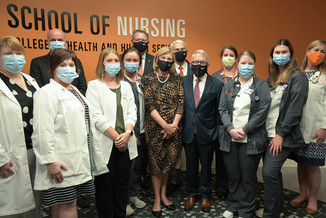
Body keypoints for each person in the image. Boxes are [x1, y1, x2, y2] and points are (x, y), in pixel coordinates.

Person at [32, 48, 95, 218]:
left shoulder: (74, 90)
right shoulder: (46, 92)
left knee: (62, 205)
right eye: (63, 64)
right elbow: (41, 130)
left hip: (75, 158)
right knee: (68, 203)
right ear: (53, 69)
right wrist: (50, 160)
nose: (68, 68)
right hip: (61, 161)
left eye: (71, 65)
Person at [86, 47, 138, 218]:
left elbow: (132, 111)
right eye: (109, 60)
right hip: (107, 142)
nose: (113, 64)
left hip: (125, 142)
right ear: (102, 63)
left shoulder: (126, 86)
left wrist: (127, 134)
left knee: (122, 184)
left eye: (116, 60)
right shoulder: (94, 86)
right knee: (105, 186)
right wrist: (117, 137)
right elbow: (96, 116)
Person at [219, 51, 271, 218]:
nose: (246, 67)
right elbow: (223, 109)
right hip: (230, 138)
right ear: (237, 64)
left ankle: (246, 210)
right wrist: (230, 129)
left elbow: (262, 111)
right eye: (243, 63)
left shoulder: (261, 86)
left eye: (250, 63)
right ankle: (234, 204)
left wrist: (245, 129)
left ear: (254, 65)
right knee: (233, 175)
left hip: (251, 140)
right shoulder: (228, 84)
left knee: (248, 176)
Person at [261, 39, 308, 218]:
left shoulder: (298, 77)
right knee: (273, 174)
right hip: (268, 132)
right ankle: (277, 209)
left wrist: (280, 134)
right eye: (277, 53)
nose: (280, 56)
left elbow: (295, 110)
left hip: (282, 135)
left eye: (284, 52)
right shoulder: (271, 78)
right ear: (272, 56)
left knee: (268, 172)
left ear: (291, 54)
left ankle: (270, 214)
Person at [0, 36, 41, 218]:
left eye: (18, 53)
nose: (14, 57)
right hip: (9, 154)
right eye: (8, 53)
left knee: (34, 203)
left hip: (35, 151)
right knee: (11, 208)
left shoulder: (30, 80)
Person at [144, 46, 184, 217]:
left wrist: (172, 126)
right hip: (154, 129)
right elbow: (149, 104)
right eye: (163, 58)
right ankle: (156, 199)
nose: (166, 62)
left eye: (170, 59)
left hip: (174, 129)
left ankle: (163, 194)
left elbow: (181, 103)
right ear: (157, 59)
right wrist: (164, 126)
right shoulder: (148, 79)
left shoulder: (177, 79)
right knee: (155, 164)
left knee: (167, 163)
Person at [183, 49, 224, 213]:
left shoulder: (217, 84)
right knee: (191, 166)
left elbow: (219, 111)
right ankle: (192, 194)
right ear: (190, 64)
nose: (198, 65)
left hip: (208, 133)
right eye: (195, 62)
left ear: (208, 64)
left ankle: (206, 195)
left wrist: (216, 133)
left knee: (206, 166)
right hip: (188, 132)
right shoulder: (183, 81)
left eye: (202, 63)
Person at [289, 40, 326, 215]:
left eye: (323, 52)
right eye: (316, 50)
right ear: (307, 51)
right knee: (301, 163)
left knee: (312, 165)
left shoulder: (325, 76)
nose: (319, 54)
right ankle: (302, 194)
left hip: (316, 128)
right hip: (297, 128)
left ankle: (312, 198)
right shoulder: (297, 74)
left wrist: (324, 127)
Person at [121, 47, 147, 216]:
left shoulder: (142, 80)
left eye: (135, 60)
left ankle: (133, 195)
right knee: (127, 169)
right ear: (123, 62)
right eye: (128, 60)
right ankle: (124, 201)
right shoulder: (120, 82)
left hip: (143, 130)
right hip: (130, 132)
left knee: (137, 167)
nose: (132, 63)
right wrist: (133, 133)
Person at [212, 45, 239, 200]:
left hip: (239, 125)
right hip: (220, 124)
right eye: (225, 55)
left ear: (236, 59)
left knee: (237, 159)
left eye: (231, 55)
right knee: (222, 158)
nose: (228, 57)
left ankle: (235, 187)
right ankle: (221, 187)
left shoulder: (243, 75)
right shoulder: (215, 77)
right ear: (221, 58)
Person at [168, 39, 193, 193]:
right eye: (176, 50)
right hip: (172, 119)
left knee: (190, 154)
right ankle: (173, 183)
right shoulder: (167, 69)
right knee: (173, 153)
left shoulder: (194, 67)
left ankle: (191, 185)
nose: (180, 51)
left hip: (190, 118)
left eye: (183, 49)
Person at [30, 28, 87, 95]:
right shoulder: (37, 63)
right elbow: (37, 88)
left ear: (65, 43)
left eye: (60, 40)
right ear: (47, 42)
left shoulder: (76, 62)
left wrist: (72, 100)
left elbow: (83, 87)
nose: (57, 42)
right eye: (53, 40)